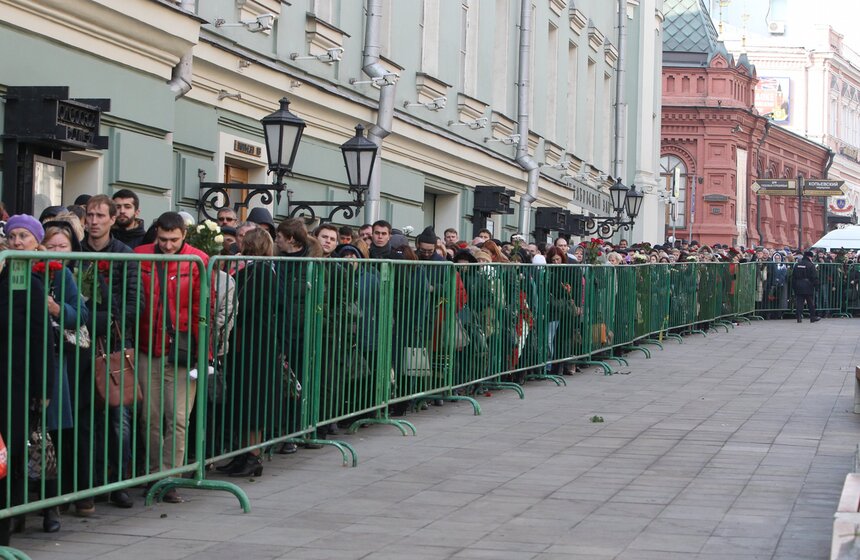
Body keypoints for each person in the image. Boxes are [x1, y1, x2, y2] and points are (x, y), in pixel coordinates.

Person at [134, 212, 209, 503]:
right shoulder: (140, 255)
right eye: (163, 240)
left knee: (177, 418)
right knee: (149, 417)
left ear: (183, 236)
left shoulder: (198, 259)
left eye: (173, 240)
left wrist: (203, 352)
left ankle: (170, 477)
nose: (167, 246)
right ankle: (154, 474)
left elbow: (205, 306)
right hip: (146, 346)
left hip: (181, 348)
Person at [81, 195, 140, 510]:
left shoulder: (124, 254)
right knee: (86, 418)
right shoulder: (76, 250)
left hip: (113, 344)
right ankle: (87, 483)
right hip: (77, 343)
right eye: (89, 214)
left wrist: (101, 321)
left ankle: (120, 481)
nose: (93, 220)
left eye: (99, 215)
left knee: (119, 416)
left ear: (112, 219)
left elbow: (134, 304)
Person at [0, 223, 56, 546]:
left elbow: (42, 339)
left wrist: (42, 388)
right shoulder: (4, 276)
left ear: (36, 244)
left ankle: (7, 523)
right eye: (12, 236)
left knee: (11, 451)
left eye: (24, 236)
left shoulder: (33, 284)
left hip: (17, 381)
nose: (17, 241)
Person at [219, 228, 281, 477]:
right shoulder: (258, 269)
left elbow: (243, 305)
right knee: (245, 401)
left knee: (253, 401)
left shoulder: (259, 271)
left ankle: (253, 456)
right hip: (252, 342)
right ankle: (244, 453)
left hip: (255, 344)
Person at [793, 250, 820, 323]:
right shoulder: (811, 265)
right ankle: (812, 317)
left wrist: (794, 286)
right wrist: (816, 285)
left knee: (799, 302)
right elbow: (814, 276)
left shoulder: (797, 264)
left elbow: (794, 276)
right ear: (809, 257)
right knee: (810, 302)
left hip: (798, 285)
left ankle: (799, 317)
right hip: (808, 285)